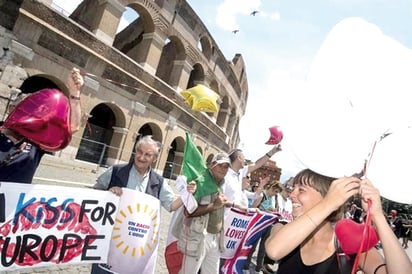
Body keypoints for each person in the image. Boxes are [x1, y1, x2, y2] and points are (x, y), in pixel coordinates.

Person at [265, 168, 412, 274]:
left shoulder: (347, 244)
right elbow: (274, 250)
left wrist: (377, 216)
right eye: (293, 188)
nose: (291, 194)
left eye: (301, 190)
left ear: (326, 196)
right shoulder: (281, 228)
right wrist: (328, 204)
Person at [91, 135, 196, 273]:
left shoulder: (159, 182)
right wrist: (109, 194)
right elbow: (94, 195)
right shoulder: (116, 171)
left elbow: (171, 205)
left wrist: (187, 194)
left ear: (154, 159)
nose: (141, 157)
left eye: (148, 155)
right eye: (139, 152)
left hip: (135, 248)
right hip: (109, 243)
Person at [0, 68, 83, 183]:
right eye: (26, 105)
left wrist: (75, 93)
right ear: (12, 108)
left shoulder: (36, 141)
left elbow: (72, 126)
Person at [174, 152, 231, 274]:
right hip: (199, 237)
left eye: (226, 166)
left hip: (216, 238)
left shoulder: (220, 184)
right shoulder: (200, 182)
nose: (223, 169)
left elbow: (220, 204)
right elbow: (189, 211)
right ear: (212, 165)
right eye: (220, 165)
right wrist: (214, 205)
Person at [223, 146, 282, 210]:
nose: (245, 160)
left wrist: (272, 152)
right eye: (244, 158)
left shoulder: (241, 172)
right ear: (239, 158)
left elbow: (257, 164)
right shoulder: (225, 176)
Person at [243, 182, 282, 274]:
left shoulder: (273, 198)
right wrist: (266, 211)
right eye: (275, 191)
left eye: (277, 193)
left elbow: (273, 209)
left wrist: (275, 213)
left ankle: (258, 268)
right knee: (252, 247)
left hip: (268, 225)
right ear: (272, 187)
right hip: (258, 224)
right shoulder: (262, 195)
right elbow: (253, 208)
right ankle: (246, 267)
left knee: (263, 248)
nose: (275, 194)